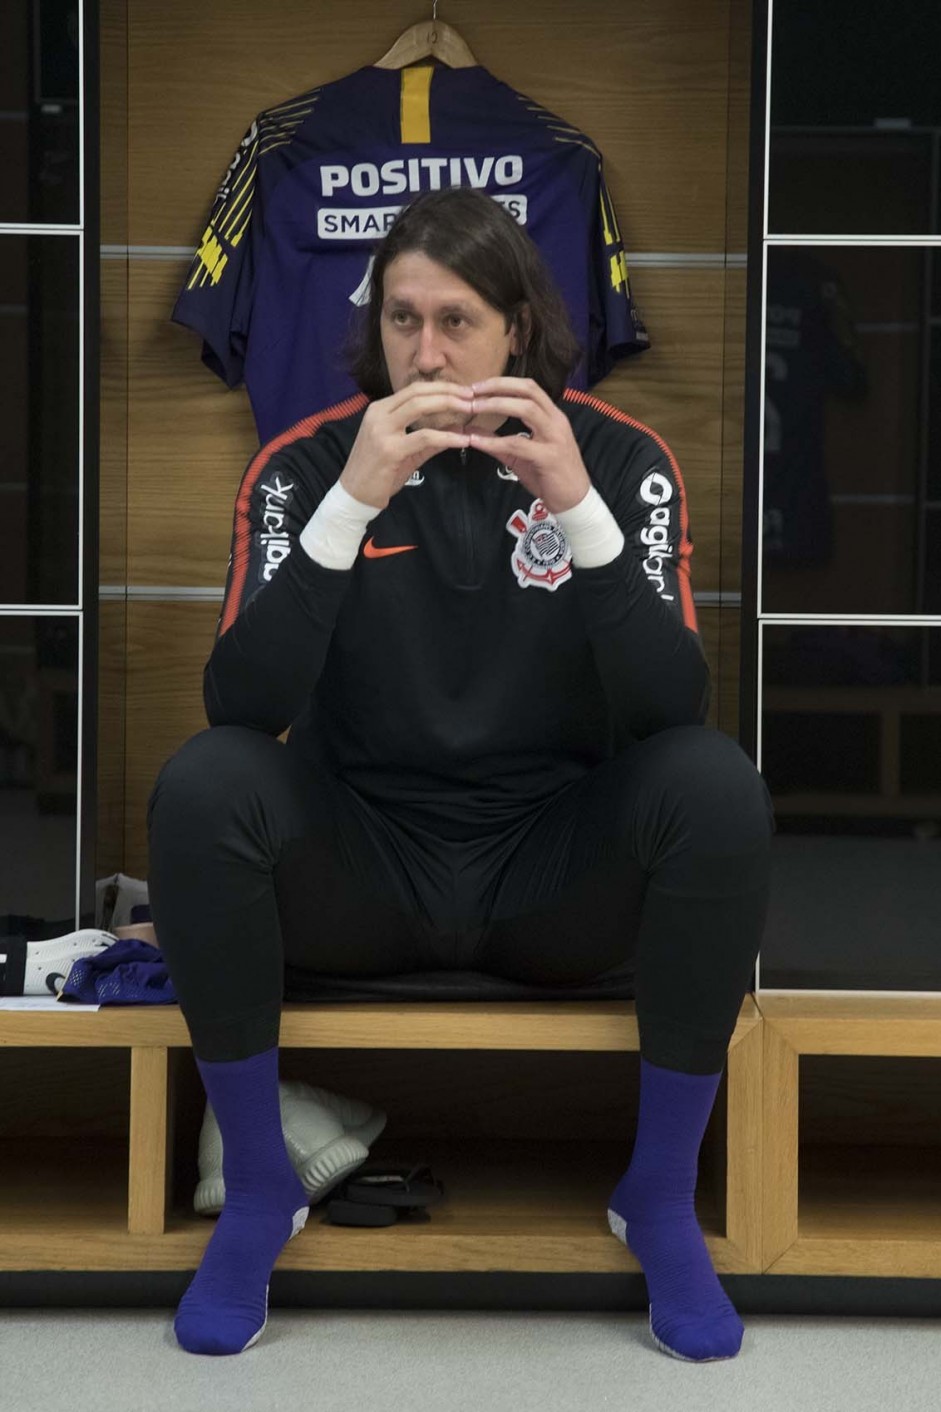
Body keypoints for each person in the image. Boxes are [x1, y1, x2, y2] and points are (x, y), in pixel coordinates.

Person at [147, 186, 773, 1361]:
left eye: (455, 321)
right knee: (203, 782)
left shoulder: (622, 460)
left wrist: (574, 507)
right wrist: (352, 503)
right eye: (399, 320)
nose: (423, 353)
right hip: (362, 870)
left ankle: (656, 1195)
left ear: (518, 330)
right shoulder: (307, 464)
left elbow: (664, 711)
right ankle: (261, 1189)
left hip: (550, 876)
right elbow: (245, 707)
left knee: (715, 784)